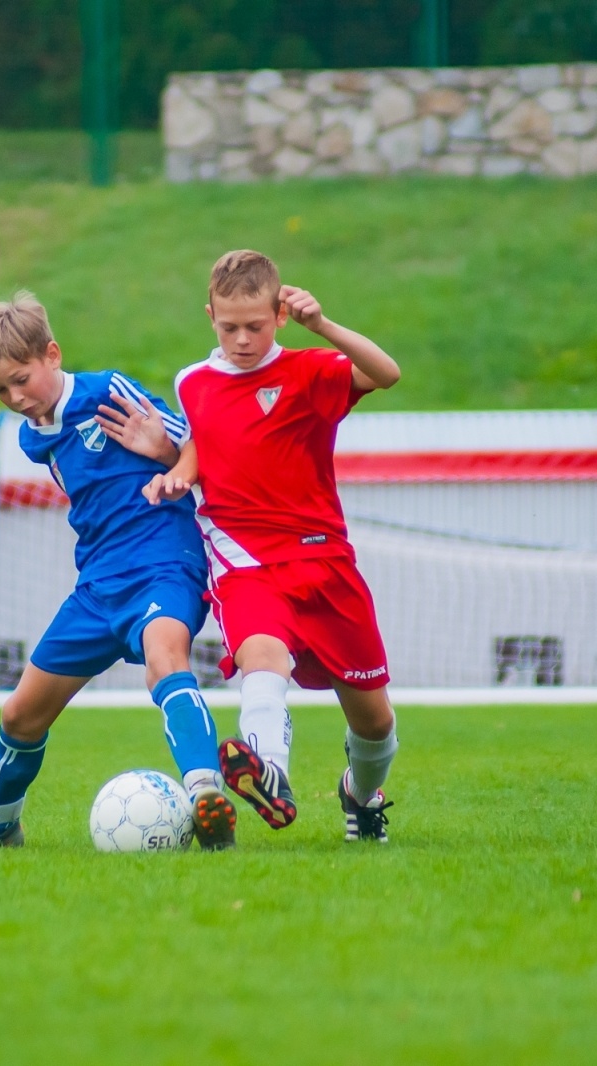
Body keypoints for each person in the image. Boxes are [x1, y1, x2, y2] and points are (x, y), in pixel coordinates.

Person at [0, 292, 238, 852]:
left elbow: (204, 450)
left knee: (165, 659)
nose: (15, 397)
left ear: (52, 354)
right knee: (20, 713)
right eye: (0, 390)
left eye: (21, 379)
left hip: (164, 563)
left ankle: (207, 796)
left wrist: (166, 453)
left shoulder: (109, 391)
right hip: (97, 586)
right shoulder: (33, 437)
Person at [145, 250, 401, 843]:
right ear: (210, 316)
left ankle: (361, 795)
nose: (241, 339)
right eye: (228, 326)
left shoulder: (309, 371)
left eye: (255, 326)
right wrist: (179, 472)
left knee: (374, 720)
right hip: (244, 558)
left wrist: (324, 326)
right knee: (262, 656)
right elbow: (204, 443)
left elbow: (386, 373)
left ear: (280, 315)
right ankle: (270, 774)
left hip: (323, 558)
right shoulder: (192, 382)